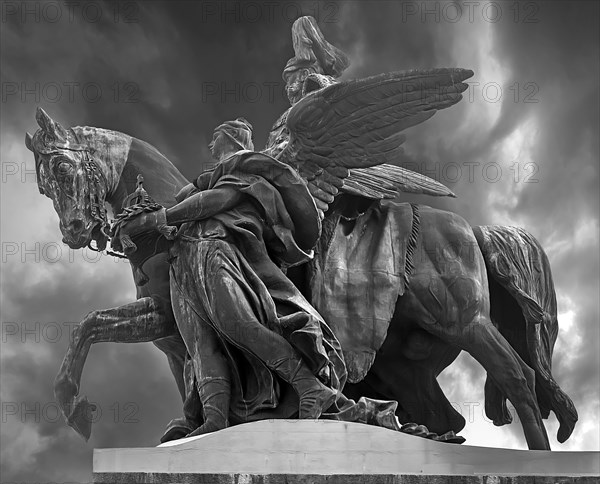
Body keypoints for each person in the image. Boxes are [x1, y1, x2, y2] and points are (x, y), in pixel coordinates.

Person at [121, 118, 346, 434]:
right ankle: (214, 419)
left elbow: (219, 201)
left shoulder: (245, 164)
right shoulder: (205, 181)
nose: (210, 146)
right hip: (185, 260)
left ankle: (311, 388)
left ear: (226, 137)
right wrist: (136, 220)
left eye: (214, 138)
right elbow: (186, 206)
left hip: (218, 249)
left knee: (239, 324)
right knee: (201, 345)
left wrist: (159, 217)